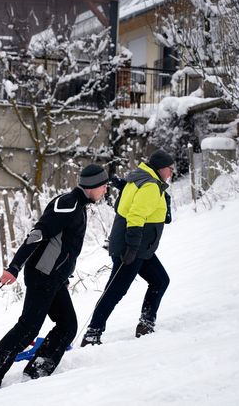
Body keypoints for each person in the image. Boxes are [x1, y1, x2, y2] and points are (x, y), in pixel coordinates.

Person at [0, 164, 110, 391]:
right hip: (42, 276)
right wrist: (14, 267)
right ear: (92, 185)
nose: (105, 189)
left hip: (54, 278)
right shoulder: (67, 205)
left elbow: (64, 247)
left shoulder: (77, 206)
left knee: (67, 326)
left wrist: (64, 274)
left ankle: (37, 371)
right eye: (103, 186)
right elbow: (37, 235)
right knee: (28, 328)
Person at [81, 149, 174, 347]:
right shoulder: (149, 185)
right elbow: (136, 215)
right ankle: (92, 333)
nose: (171, 172)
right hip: (132, 246)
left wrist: (121, 185)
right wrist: (131, 247)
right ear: (160, 168)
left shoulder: (139, 178)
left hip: (141, 247)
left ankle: (146, 323)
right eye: (169, 168)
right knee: (116, 290)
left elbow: (131, 200)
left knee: (160, 281)